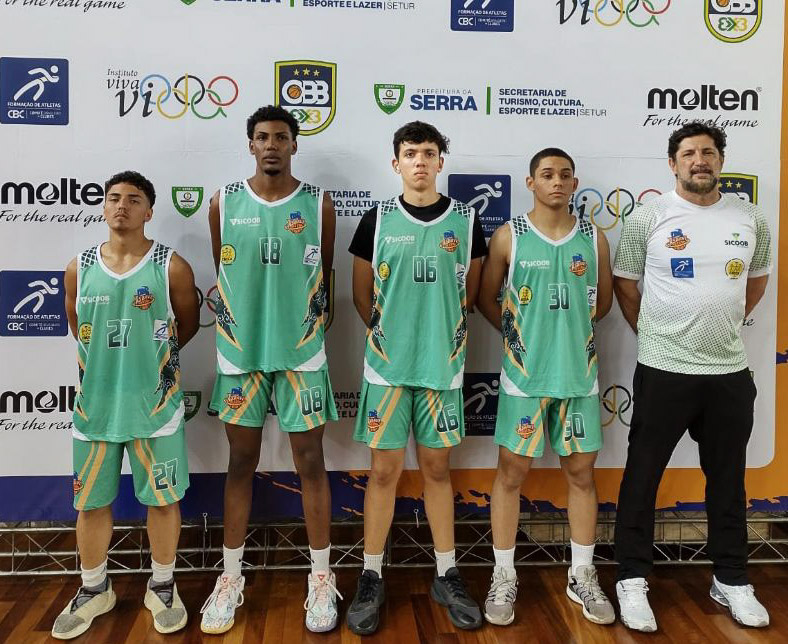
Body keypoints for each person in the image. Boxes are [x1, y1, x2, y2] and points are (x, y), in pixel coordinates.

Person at [612, 122, 772, 632]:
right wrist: (656, 336)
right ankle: (631, 578)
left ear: (720, 160)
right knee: (642, 477)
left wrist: (720, 325)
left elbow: (756, 283)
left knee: (727, 480)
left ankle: (731, 579)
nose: (699, 160)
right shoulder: (647, 217)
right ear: (672, 163)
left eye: (708, 152)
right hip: (664, 369)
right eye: (688, 153)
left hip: (728, 372)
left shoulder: (750, 217)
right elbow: (625, 285)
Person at [200, 106, 340, 634]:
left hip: (301, 354)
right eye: (263, 137)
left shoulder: (319, 204)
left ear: (295, 145)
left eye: (282, 137)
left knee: (311, 463)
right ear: (250, 145)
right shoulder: (223, 202)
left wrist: (304, 328)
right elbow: (223, 269)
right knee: (241, 462)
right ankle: (230, 577)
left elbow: (326, 276)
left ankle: (321, 577)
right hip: (242, 354)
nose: (272, 145)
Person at [345, 121, 487, 635]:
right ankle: (371, 574)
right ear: (396, 163)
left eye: (429, 152)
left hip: (441, 369)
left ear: (440, 161)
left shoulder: (467, 221)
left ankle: (447, 573)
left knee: (437, 471)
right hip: (388, 370)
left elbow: (469, 295)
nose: (420, 161)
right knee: (383, 472)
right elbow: (361, 296)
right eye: (410, 153)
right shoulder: (378, 218)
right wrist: (395, 339)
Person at [53, 171, 199, 640]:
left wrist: (150, 367)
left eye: (134, 199)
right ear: (103, 207)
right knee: (91, 504)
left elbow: (186, 326)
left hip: (155, 408)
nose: (122, 206)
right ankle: (94, 588)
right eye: (114, 198)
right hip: (95, 408)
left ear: (149, 211)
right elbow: (79, 327)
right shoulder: (78, 267)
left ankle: (163, 585)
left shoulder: (170, 266)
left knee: (163, 500)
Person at [477, 149, 615, 626]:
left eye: (564, 175)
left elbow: (602, 305)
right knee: (510, 474)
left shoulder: (593, 238)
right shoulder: (509, 235)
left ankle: (582, 574)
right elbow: (485, 298)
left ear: (575, 184)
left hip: (578, 376)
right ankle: (503, 575)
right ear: (530, 182)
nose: (557, 182)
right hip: (525, 380)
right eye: (547, 174)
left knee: (581, 475)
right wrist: (519, 341)